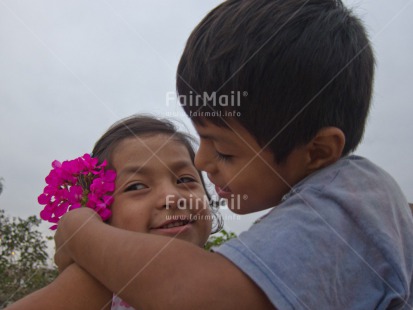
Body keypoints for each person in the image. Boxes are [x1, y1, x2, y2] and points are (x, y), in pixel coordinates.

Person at [53, 0, 413, 309]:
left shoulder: (349, 202)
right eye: (136, 187)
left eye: (224, 151)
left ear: (317, 151)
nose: (201, 162)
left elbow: (198, 296)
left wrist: (80, 231)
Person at [6, 115, 217, 309]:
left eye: (185, 180)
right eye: (136, 186)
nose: (172, 198)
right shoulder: (97, 286)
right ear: (102, 211)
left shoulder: (234, 273)